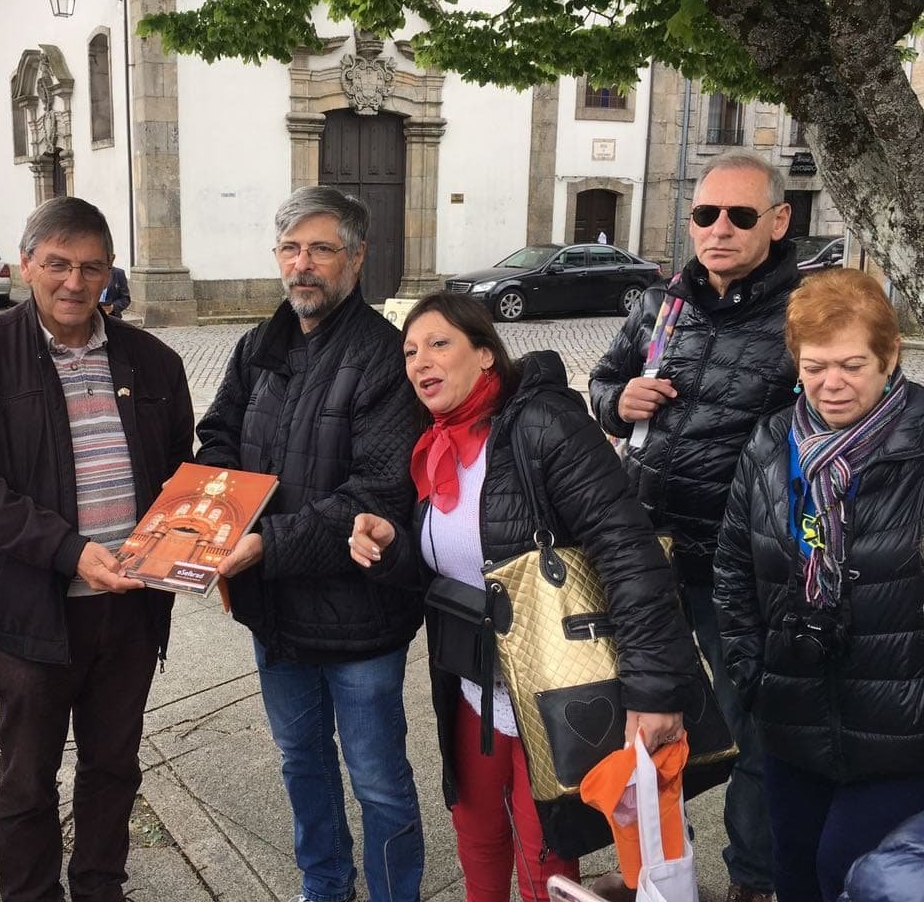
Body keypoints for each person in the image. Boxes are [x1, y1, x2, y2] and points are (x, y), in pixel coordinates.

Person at [349, 292, 697, 901]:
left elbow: (628, 550)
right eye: (409, 351)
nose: (420, 362)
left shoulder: (542, 423)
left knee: (546, 853)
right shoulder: (432, 447)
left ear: (485, 354)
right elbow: (446, 568)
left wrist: (653, 687)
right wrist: (393, 547)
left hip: (557, 688)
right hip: (471, 685)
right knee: (477, 832)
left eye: (439, 344)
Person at [0, 197, 194, 902]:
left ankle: (100, 885)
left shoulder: (155, 361)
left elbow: (178, 475)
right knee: (26, 776)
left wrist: (192, 542)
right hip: (33, 612)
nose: (74, 282)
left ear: (109, 274)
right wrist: (68, 551)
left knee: (113, 766)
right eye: (58, 265)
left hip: (130, 611)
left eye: (92, 267)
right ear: (27, 265)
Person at [195, 185, 425, 902]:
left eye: (321, 249)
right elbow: (218, 440)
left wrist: (263, 543)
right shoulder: (256, 347)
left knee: (378, 778)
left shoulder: (385, 356)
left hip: (360, 619)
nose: (304, 264)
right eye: (291, 249)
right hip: (276, 613)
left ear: (355, 261)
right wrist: (203, 520)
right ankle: (325, 886)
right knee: (301, 762)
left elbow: (378, 491)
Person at [590, 150, 800, 902]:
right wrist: (620, 401)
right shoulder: (661, 303)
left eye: (740, 216)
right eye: (705, 214)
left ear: (777, 222)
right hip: (648, 549)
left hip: (740, 561)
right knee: (642, 720)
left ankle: (755, 879)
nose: (719, 228)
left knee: (752, 726)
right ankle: (653, 870)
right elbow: (604, 379)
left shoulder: (803, 313)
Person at [715, 268, 924, 902]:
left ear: (890, 355)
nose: (831, 384)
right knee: (796, 874)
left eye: (852, 365)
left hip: (901, 728)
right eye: (814, 367)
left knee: (852, 872)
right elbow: (733, 571)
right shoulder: (772, 442)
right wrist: (753, 674)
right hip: (793, 715)